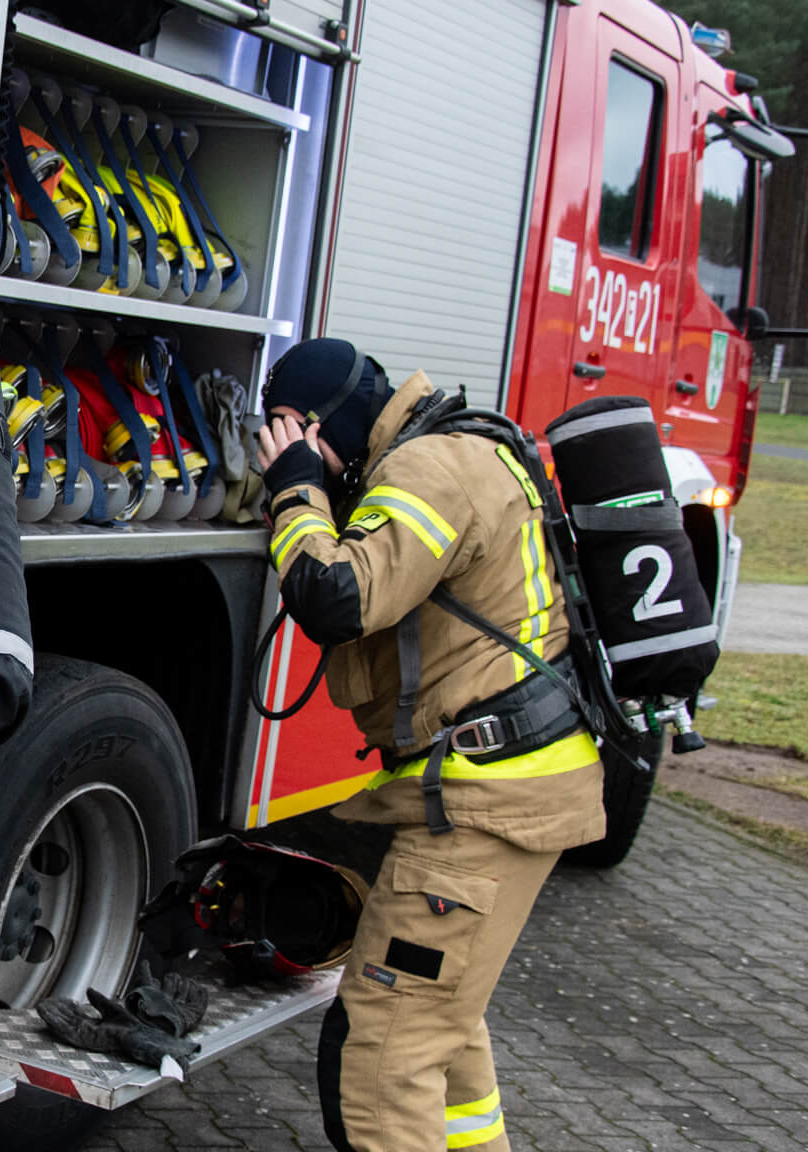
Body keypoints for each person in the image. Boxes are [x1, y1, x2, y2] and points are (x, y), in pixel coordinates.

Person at [251, 338, 605, 1152]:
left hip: (486, 803)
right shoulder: (461, 446)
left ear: (312, 426)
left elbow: (336, 595)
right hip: (514, 785)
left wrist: (295, 491)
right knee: (444, 1029)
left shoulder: (428, 469)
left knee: (383, 1053)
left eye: (284, 433)